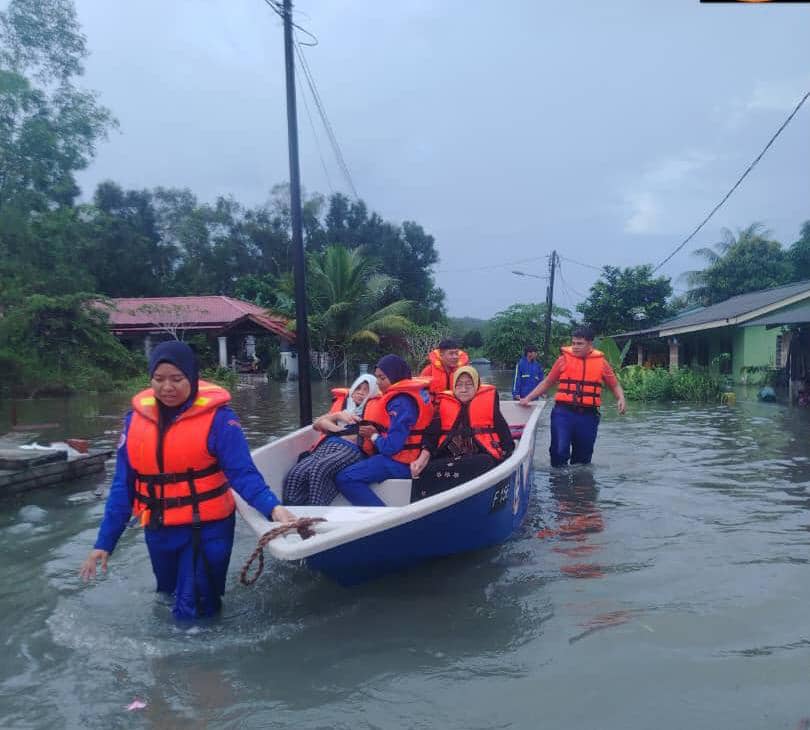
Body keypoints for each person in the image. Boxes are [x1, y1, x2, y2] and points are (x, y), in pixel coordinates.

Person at [79, 341, 295, 620]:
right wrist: (103, 544)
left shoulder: (220, 420)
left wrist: (274, 509)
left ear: (192, 378)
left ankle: (201, 663)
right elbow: (123, 486)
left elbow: (243, 474)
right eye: (158, 379)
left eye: (176, 379)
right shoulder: (135, 421)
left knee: (194, 610)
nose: (167, 387)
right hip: (158, 527)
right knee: (167, 595)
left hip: (206, 529)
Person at [519, 325, 626, 467]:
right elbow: (547, 383)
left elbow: (614, 385)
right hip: (563, 412)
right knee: (559, 450)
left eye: (580, 344)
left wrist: (621, 398)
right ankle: (558, 484)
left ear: (590, 344)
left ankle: (580, 487)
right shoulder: (562, 360)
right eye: (573, 343)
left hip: (588, 415)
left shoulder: (602, 364)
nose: (575, 347)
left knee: (582, 459)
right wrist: (528, 398)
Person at [334, 355, 433, 506]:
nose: (378, 383)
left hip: (402, 463)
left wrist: (373, 435)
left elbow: (391, 447)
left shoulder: (401, 403)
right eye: (377, 378)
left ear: (395, 376)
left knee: (345, 478)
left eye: (382, 378)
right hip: (405, 457)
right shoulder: (410, 396)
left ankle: (381, 516)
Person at [410, 366, 514, 501]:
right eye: (459, 385)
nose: (463, 389)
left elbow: (506, 438)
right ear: (453, 386)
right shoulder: (443, 406)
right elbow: (431, 437)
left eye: (469, 385)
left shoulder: (489, 407)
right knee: (424, 469)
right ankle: (421, 509)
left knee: (485, 462)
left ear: (476, 386)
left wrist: (506, 456)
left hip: (479, 459)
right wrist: (421, 459)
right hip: (450, 459)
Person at [283, 373, 378, 505]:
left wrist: (337, 427)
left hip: (353, 451)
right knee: (297, 472)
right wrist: (337, 417)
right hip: (330, 445)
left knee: (319, 468)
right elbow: (317, 424)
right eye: (358, 388)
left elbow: (374, 434)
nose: (361, 393)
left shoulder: (377, 408)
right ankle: (291, 514)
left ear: (373, 392)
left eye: (366, 390)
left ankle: (316, 513)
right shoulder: (343, 408)